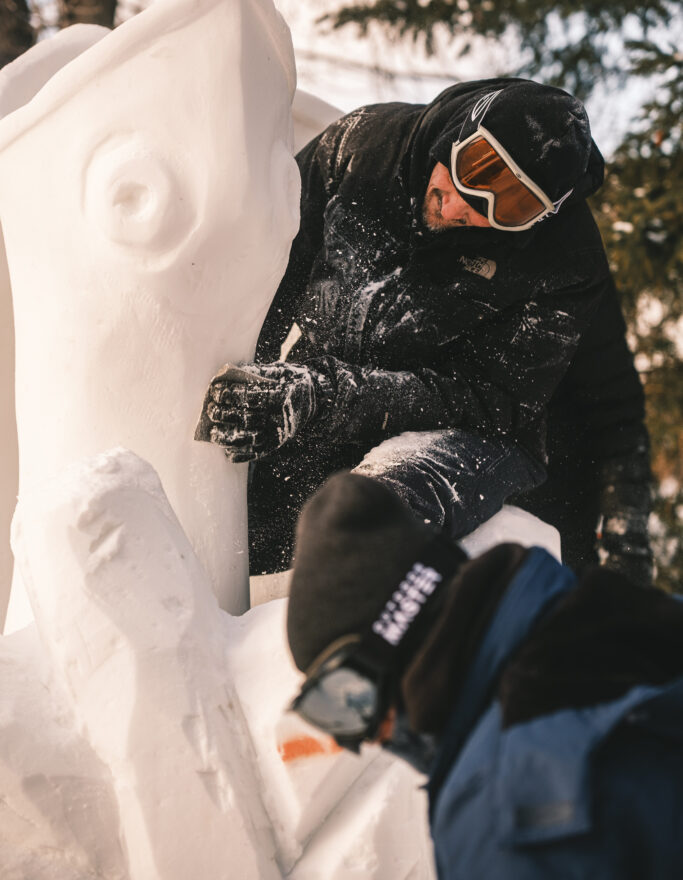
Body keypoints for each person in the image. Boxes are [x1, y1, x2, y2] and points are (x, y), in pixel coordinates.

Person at [195, 78, 652, 580]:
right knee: (248, 537)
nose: (461, 207)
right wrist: (254, 375)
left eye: (509, 206)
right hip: (326, 386)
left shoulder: (565, 262)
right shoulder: (363, 148)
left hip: (466, 431)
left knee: (368, 518)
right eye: (473, 170)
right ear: (459, 131)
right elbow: (263, 270)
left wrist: (324, 397)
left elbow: (492, 401)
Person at [285, 471, 683, 880]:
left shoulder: (498, 816)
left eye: (344, 699)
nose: (362, 738)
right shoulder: (633, 620)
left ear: (383, 649)